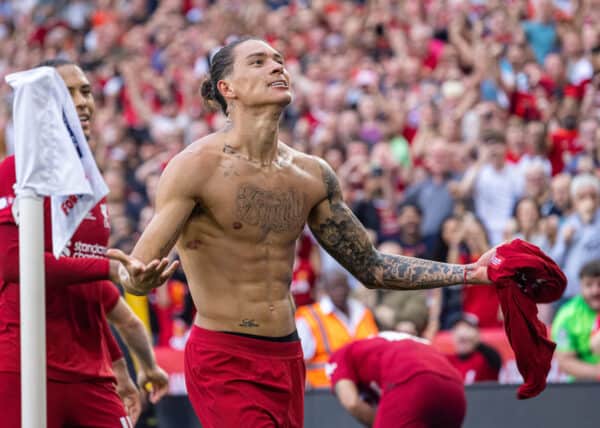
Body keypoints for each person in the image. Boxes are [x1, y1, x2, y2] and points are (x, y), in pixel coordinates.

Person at [107, 37, 495, 428]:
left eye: (278, 60)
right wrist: (137, 280)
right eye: (258, 62)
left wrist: (467, 273)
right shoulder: (194, 166)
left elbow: (371, 267)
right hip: (224, 356)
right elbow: (133, 271)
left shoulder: (311, 174)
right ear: (228, 88)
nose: (277, 67)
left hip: (288, 356)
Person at [0, 59, 169, 428]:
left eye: (86, 91)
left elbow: (92, 294)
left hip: (93, 375)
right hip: (24, 367)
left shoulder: (91, 188)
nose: (82, 101)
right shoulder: (13, 173)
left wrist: (122, 368)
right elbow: (13, 264)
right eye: (67, 92)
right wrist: (110, 268)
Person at [327, 332, 466, 428]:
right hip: (455, 387)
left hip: (412, 379)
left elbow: (351, 402)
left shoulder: (342, 354)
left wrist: (384, 422)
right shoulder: (384, 342)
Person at [295, 268, 378, 389]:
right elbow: (297, 362)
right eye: (334, 287)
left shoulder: (363, 312)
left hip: (364, 388)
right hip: (323, 390)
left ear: (349, 287)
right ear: (326, 290)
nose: (340, 291)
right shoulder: (309, 317)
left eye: (342, 286)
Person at [552, 260, 600, 381]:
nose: (596, 291)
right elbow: (566, 361)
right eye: (589, 285)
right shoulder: (567, 315)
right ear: (580, 286)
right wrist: (597, 373)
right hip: (583, 387)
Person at [446, 315, 502, 384]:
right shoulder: (448, 360)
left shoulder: (485, 359)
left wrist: (475, 340)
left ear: (477, 334)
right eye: (457, 329)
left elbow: (495, 359)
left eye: (467, 329)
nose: (462, 333)